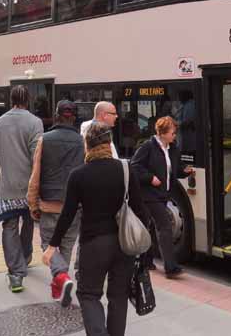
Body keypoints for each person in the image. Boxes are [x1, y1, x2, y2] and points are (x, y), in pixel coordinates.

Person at [43, 122, 148, 336]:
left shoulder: (78, 175)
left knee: (89, 295)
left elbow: (67, 215)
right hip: (123, 245)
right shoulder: (125, 169)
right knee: (118, 297)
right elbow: (142, 212)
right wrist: (145, 250)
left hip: (93, 245)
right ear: (109, 143)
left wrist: (52, 246)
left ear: (87, 145)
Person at [27, 100, 85, 306]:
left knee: (47, 244)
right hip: (74, 206)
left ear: (56, 115)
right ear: (73, 117)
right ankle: (62, 281)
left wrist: (32, 203)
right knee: (67, 245)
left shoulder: (45, 139)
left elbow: (36, 174)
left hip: (49, 204)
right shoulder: (81, 141)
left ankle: (61, 277)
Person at [0, 84, 43, 293]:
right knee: (29, 222)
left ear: (10, 99)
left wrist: (5, 169)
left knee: (9, 226)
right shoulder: (35, 122)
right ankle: (26, 256)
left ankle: (15, 271)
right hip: (29, 185)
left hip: (7, 185)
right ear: (28, 100)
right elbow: (36, 155)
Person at [131, 116, 194, 278]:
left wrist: (184, 170)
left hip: (164, 194)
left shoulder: (172, 148)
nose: (175, 135)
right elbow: (135, 166)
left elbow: (174, 169)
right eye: (172, 132)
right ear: (162, 133)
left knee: (151, 226)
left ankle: (146, 260)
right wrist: (150, 177)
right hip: (149, 194)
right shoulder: (148, 147)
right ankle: (170, 268)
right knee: (165, 226)